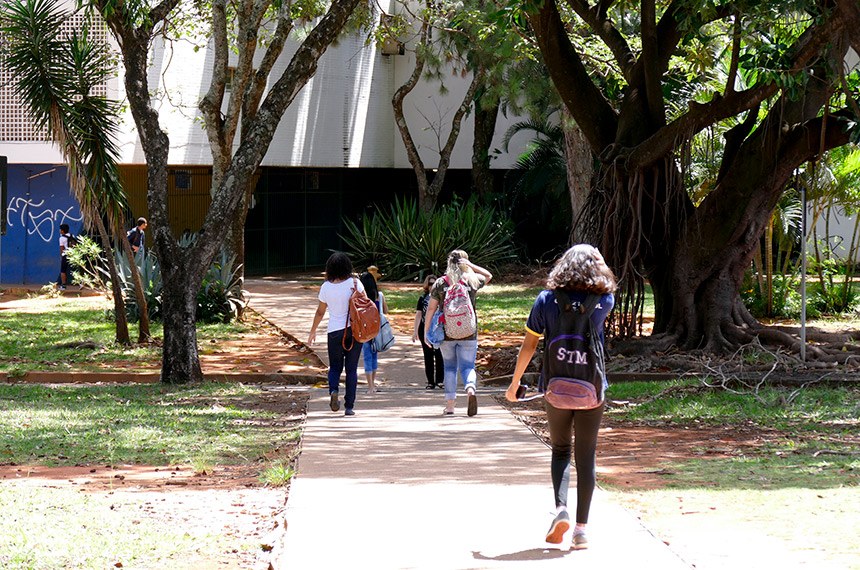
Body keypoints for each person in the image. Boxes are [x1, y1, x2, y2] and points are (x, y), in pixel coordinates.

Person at [504, 244, 616, 550]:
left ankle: (560, 508)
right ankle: (581, 530)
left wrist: (515, 384)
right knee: (586, 455)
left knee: (560, 450)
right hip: (591, 390)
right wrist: (598, 258)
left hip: (555, 388)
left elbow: (529, 345)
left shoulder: (545, 300)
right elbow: (607, 278)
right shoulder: (604, 301)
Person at [424, 250, 492, 416]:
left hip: (447, 332)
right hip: (469, 332)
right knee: (468, 366)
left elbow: (431, 308)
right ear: (464, 262)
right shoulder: (472, 280)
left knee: (449, 368)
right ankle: (470, 390)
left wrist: (427, 331)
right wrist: (470, 266)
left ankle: (450, 406)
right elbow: (488, 275)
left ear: (448, 263)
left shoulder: (441, 283)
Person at [308, 252, 365, 416]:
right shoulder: (355, 283)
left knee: (335, 367)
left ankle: (333, 390)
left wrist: (313, 331)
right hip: (354, 331)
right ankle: (349, 406)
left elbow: (320, 312)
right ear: (347, 267)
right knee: (351, 369)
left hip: (334, 331)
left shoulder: (326, 287)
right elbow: (366, 305)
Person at [359, 265, 388, 394]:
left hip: (365, 329)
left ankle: (370, 386)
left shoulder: (361, 299)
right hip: (377, 330)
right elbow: (386, 311)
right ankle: (373, 384)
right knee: (374, 356)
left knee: (367, 357)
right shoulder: (379, 296)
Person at [412, 274, 444, 389]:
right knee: (428, 356)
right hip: (424, 329)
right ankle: (430, 382)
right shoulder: (423, 298)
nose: (432, 286)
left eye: (434, 283)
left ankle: (440, 380)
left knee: (439, 355)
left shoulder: (442, 298)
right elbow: (419, 314)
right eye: (430, 284)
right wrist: (415, 331)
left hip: (438, 329)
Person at [58, 223, 73, 290]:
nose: (59, 230)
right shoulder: (72, 236)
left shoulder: (61, 238)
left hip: (66, 255)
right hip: (73, 254)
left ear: (62, 231)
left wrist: (61, 256)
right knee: (74, 269)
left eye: (60, 229)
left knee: (63, 271)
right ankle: (81, 283)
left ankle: (63, 285)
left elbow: (62, 248)